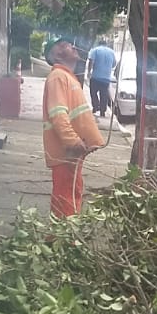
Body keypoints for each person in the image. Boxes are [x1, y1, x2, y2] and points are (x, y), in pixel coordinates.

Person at [42, 36, 102, 216]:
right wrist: (72, 141)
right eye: (67, 45)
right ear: (58, 53)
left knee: (71, 193)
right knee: (65, 198)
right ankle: (63, 239)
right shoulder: (58, 77)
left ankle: (64, 238)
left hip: (72, 151)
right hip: (66, 151)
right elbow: (58, 114)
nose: (73, 47)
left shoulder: (66, 77)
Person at [86, 38, 117, 118]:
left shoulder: (95, 50)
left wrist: (89, 72)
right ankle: (103, 111)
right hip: (106, 78)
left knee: (93, 92)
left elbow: (91, 61)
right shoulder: (111, 52)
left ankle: (96, 106)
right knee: (104, 94)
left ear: (98, 44)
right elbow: (114, 64)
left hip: (96, 76)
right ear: (106, 44)